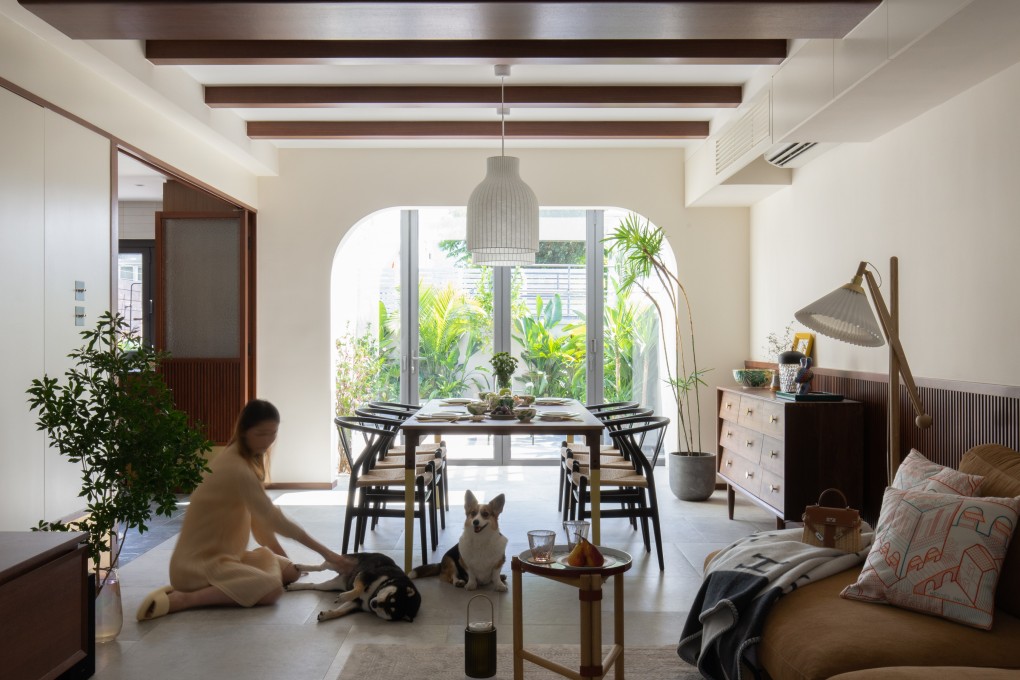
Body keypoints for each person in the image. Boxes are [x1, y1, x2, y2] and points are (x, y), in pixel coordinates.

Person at [136, 399, 347, 620]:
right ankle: (183, 599)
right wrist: (328, 554)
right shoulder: (237, 468)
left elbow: (260, 522)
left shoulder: (246, 459)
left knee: (290, 572)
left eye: (272, 433)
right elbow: (274, 519)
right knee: (271, 589)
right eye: (261, 433)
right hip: (197, 566)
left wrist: (283, 560)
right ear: (244, 431)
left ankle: (239, 582)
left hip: (227, 557)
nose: (267, 440)